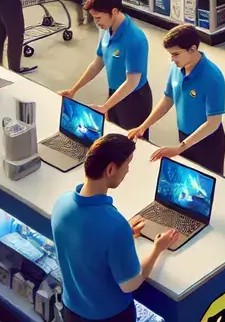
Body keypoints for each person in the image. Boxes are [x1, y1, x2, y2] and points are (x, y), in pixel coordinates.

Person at [51, 134, 179, 322]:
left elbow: (84, 241)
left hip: (71, 310)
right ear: (110, 169)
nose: (127, 171)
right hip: (110, 317)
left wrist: (123, 232)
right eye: (127, 164)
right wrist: (157, 249)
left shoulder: (61, 203)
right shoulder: (114, 226)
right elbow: (131, 284)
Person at [126, 25, 225, 175]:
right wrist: (143, 126)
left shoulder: (213, 78)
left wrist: (180, 148)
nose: (172, 59)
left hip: (208, 143)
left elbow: (213, 122)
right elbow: (168, 100)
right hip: (184, 136)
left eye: (176, 54)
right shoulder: (176, 67)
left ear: (192, 49)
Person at [60, 0, 153, 134]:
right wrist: (74, 90)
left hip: (134, 99)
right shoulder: (106, 29)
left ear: (114, 11)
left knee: (132, 142)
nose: (96, 22)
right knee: (114, 135)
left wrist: (105, 106)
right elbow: (97, 64)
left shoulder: (135, 39)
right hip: (114, 91)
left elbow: (132, 82)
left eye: (98, 18)